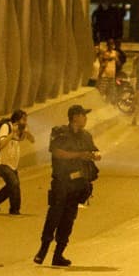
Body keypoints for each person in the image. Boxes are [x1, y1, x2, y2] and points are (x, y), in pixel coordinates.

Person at [34, 105, 101, 267]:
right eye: (83, 115)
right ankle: (42, 250)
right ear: (74, 117)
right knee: (54, 216)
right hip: (62, 182)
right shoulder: (59, 132)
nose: (85, 118)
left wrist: (94, 156)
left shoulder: (86, 136)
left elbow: (95, 152)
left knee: (68, 220)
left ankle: (58, 254)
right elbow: (57, 152)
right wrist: (79, 155)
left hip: (78, 185)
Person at [0, 110, 33, 214]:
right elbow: (1, 144)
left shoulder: (21, 129)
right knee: (14, 184)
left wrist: (27, 132)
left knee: (12, 185)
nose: (25, 122)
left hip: (12, 163)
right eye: (23, 120)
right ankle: (14, 209)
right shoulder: (6, 127)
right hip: (0, 161)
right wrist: (12, 133)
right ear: (17, 119)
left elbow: (32, 140)